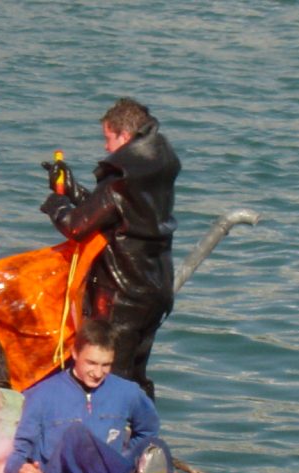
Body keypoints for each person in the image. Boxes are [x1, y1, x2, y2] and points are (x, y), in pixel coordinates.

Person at [40, 97, 181, 400]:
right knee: (136, 373)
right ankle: (144, 432)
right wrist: (72, 189)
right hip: (155, 290)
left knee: (110, 375)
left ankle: (111, 436)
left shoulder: (120, 182)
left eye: (108, 138)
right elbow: (113, 212)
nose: (106, 148)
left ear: (125, 137)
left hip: (122, 296)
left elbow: (76, 226)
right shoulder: (154, 172)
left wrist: (56, 203)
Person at [3, 319, 175, 473]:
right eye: (91, 363)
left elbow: (148, 430)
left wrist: (126, 457)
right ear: (74, 353)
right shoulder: (40, 396)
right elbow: (16, 451)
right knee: (76, 436)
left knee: (155, 446)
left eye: (106, 365)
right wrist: (20, 470)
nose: (98, 372)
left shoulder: (128, 392)